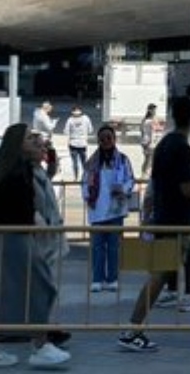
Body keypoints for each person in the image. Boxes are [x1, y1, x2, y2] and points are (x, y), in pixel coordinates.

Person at [116, 94, 190, 351]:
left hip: (175, 220)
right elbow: (187, 190)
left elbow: (164, 184)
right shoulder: (182, 147)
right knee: (160, 276)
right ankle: (131, 330)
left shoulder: (165, 145)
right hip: (178, 223)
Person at [0, 124, 71, 368]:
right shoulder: (13, 173)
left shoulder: (19, 170)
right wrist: (34, 222)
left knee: (17, 292)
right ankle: (38, 346)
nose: (35, 141)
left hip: (14, 237)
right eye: (29, 138)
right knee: (39, 288)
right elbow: (6, 208)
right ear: (18, 144)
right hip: (14, 237)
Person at [81, 125, 137, 293]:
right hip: (97, 209)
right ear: (98, 140)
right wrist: (88, 197)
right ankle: (97, 279)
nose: (106, 141)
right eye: (102, 138)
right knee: (97, 246)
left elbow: (130, 180)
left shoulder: (123, 160)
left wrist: (124, 189)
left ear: (114, 139)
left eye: (109, 138)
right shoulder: (91, 162)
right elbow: (84, 183)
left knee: (114, 246)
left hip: (115, 210)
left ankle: (112, 278)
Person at [64, 108, 94, 180]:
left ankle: (75, 177)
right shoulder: (86, 118)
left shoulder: (70, 120)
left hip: (73, 143)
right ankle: (86, 176)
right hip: (83, 143)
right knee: (84, 161)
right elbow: (90, 130)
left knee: (75, 162)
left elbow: (66, 132)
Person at [139, 103, 164, 172]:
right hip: (149, 142)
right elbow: (151, 132)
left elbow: (142, 131)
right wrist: (150, 142)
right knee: (149, 159)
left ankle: (144, 173)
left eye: (155, 110)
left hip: (146, 141)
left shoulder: (145, 120)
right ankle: (144, 173)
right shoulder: (149, 121)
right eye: (153, 110)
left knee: (148, 159)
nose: (155, 111)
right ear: (150, 110)